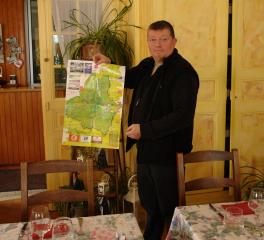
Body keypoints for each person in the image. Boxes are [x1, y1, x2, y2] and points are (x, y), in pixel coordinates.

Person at [94, 20, 199, 240]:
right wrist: (108, 63)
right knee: (151, 207)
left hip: (167, 154)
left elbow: (181, 117)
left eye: (163, 39)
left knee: (169, 211)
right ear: (148, 42)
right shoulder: (147, 64)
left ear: (174, 41)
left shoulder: (184, 73)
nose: (158, 45)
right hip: (146, 151)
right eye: (153, 40)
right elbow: (127, 78)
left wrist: (145, 130)